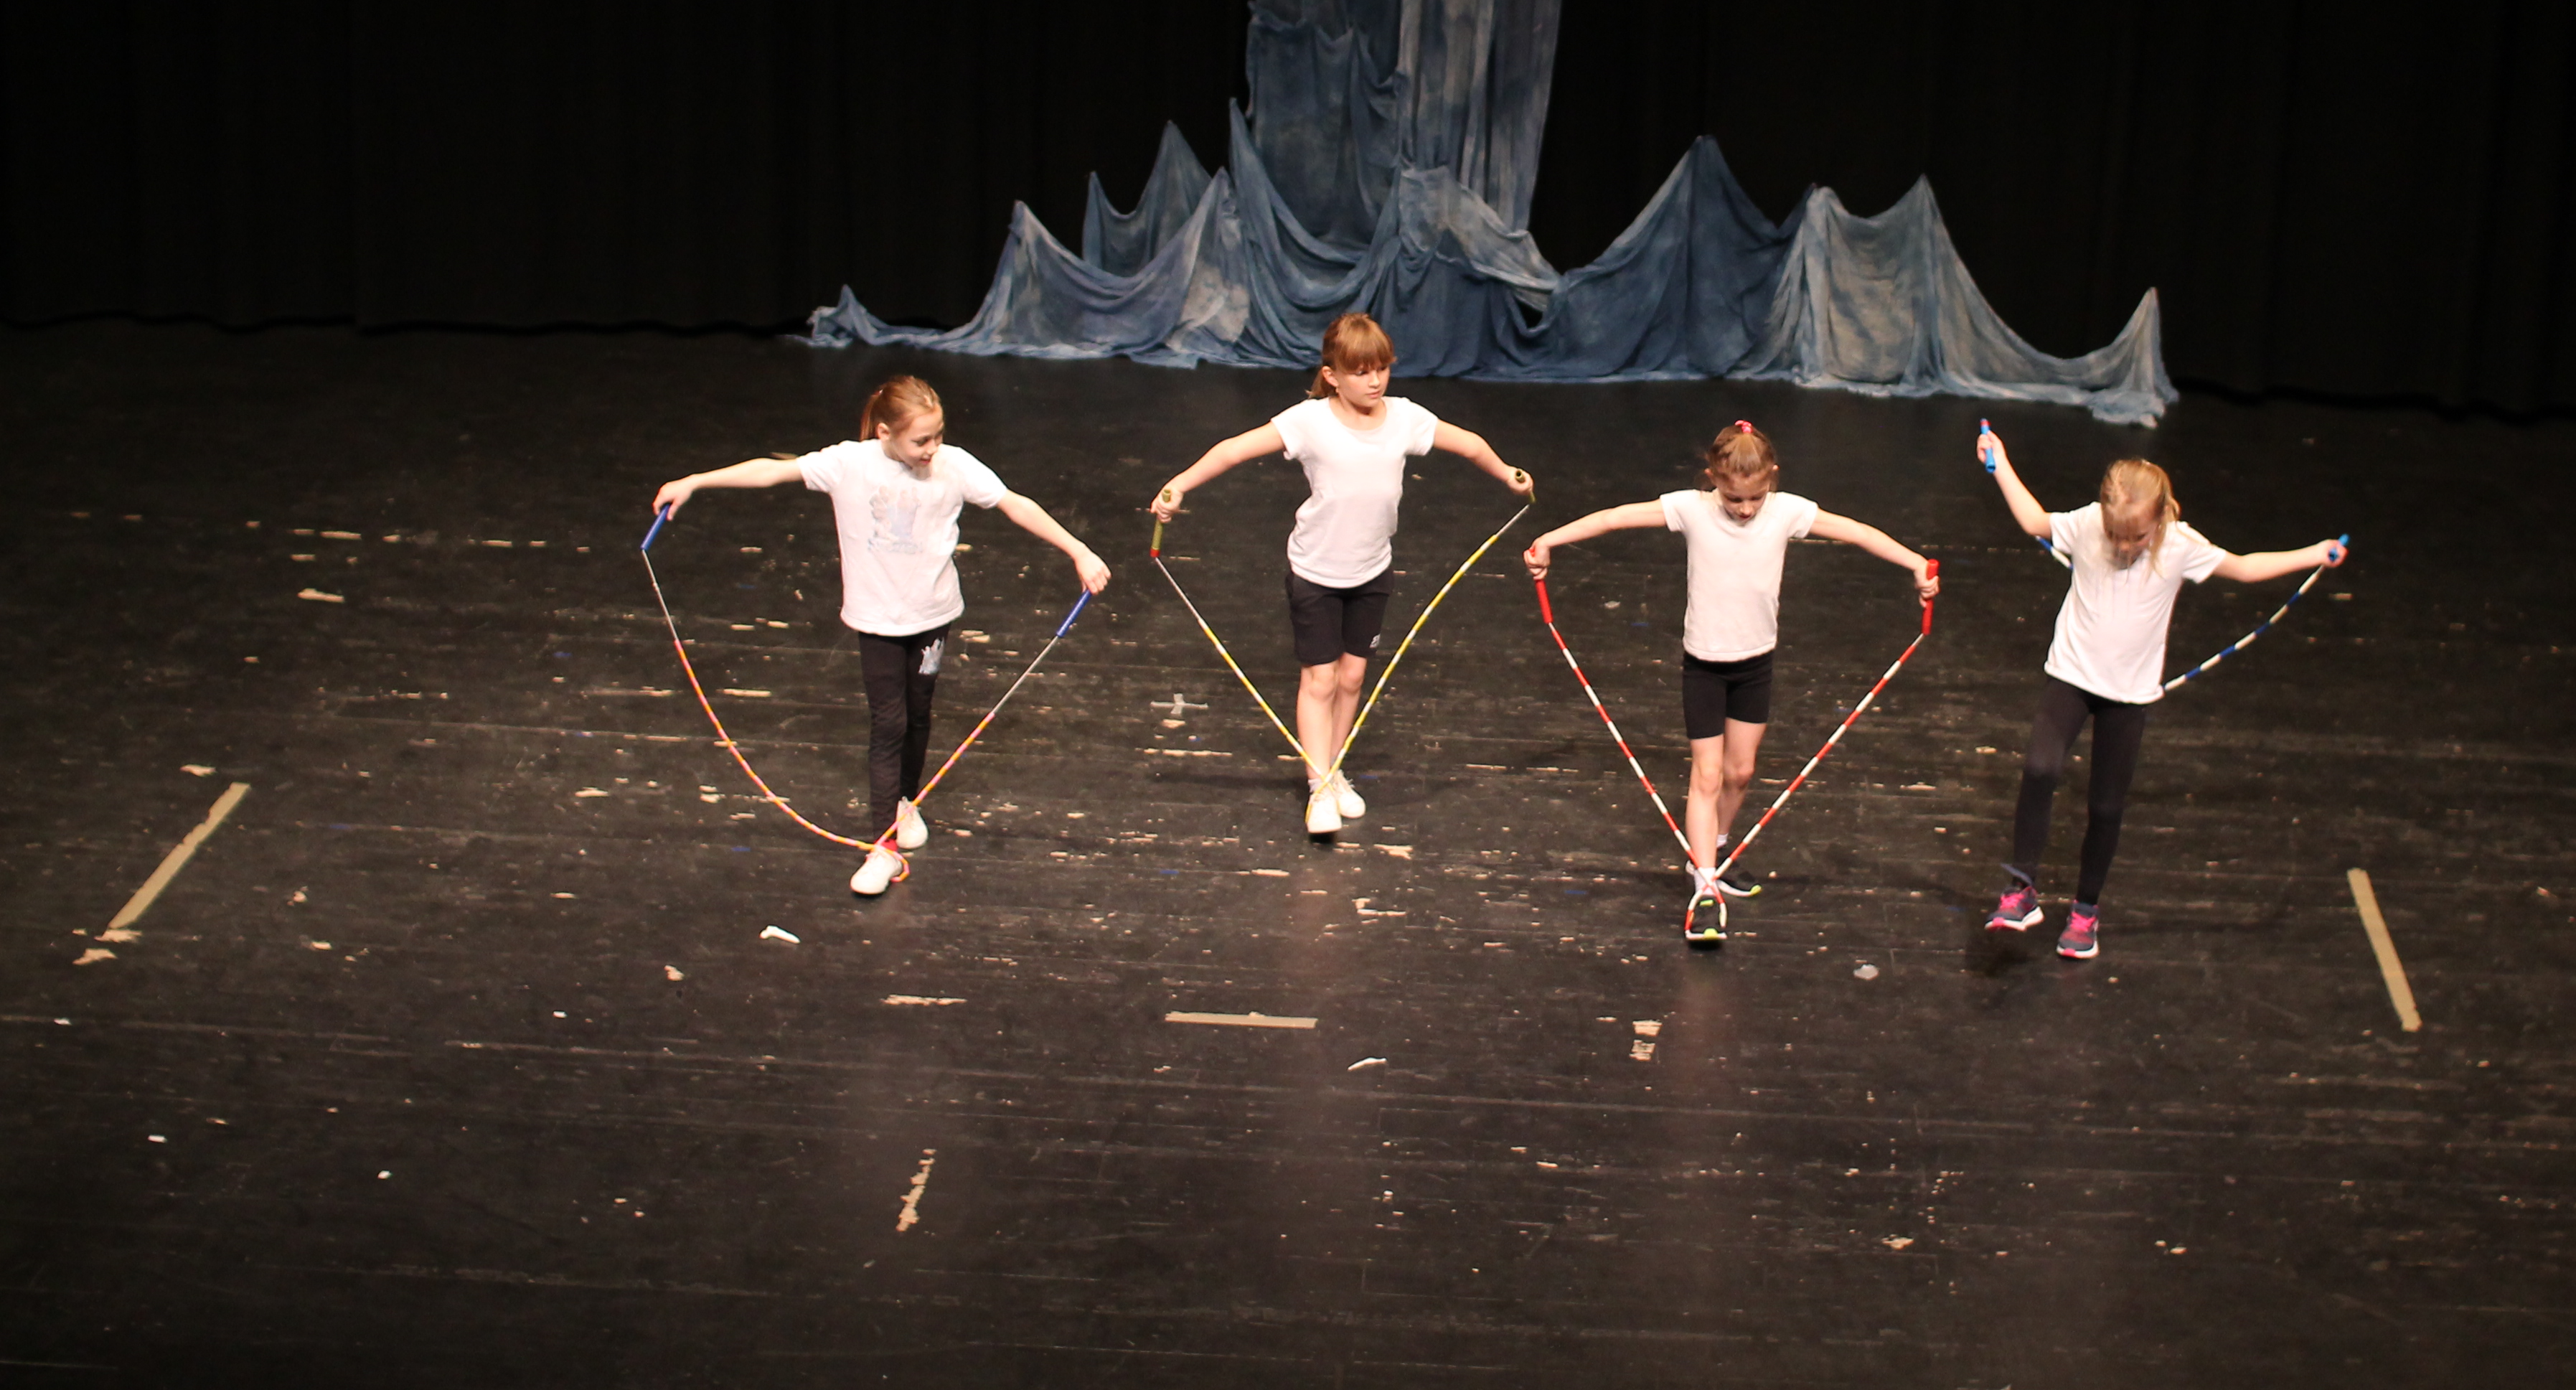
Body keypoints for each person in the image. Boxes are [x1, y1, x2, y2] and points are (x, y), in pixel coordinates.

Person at [652, 375, 1112, 895]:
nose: (932, 449)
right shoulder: (849, 463)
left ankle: (904, 803)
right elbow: (772, 471)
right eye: (921, 440)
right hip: (877, 623)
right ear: (885, 432)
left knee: (918, 714)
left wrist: (1078, 550)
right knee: (888, 723)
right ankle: (883, 847)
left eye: (938, 436)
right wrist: (696, 481)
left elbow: (1013, 503)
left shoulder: (954, 465)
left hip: (933, 618)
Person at [1523, 421, 1937, 908]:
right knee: (1707, 775)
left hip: (1755, 665)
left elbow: (1858, 532)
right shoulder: (1692, 509)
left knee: (1740, 773)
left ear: (1772, 479)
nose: (1744, 509)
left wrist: (1916, 564)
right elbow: (1615, 518)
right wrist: (1548, 541)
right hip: (1704, 666)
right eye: (1733, 498)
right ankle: (1703, 882)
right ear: (1712, 479)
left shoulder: (1786, 512)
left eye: (1755, 498)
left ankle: (1716, 850)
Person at [1151, 313, 1532, 837]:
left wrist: (1506, 472)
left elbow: (1467, 443)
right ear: (1332, 375)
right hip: (1316, 573)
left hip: (1372, 571)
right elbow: (1233, 450)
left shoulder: (1404, 418)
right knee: (1321, 679)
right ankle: (1319, 785)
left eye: (1382, 370)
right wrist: (1179, 485)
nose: (1375, 382)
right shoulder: (1309, 422)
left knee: (1352, 678)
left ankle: (1334, 769)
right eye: (1361, 372)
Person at [1975, 426, 2344, 957]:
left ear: (2159, 522)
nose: (2125, 547)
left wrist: (2313, 553)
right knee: (2039, 769)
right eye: (2117, 536)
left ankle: (2085, 912)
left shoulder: (2179, 544)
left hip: (2129, 695)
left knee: (2106, 806)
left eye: (2137, 538)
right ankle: (2022, 890)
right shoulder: (2088, 524)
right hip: (2072, 676)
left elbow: (2243, 568)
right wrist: (2001, 462)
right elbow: (2035, 521)